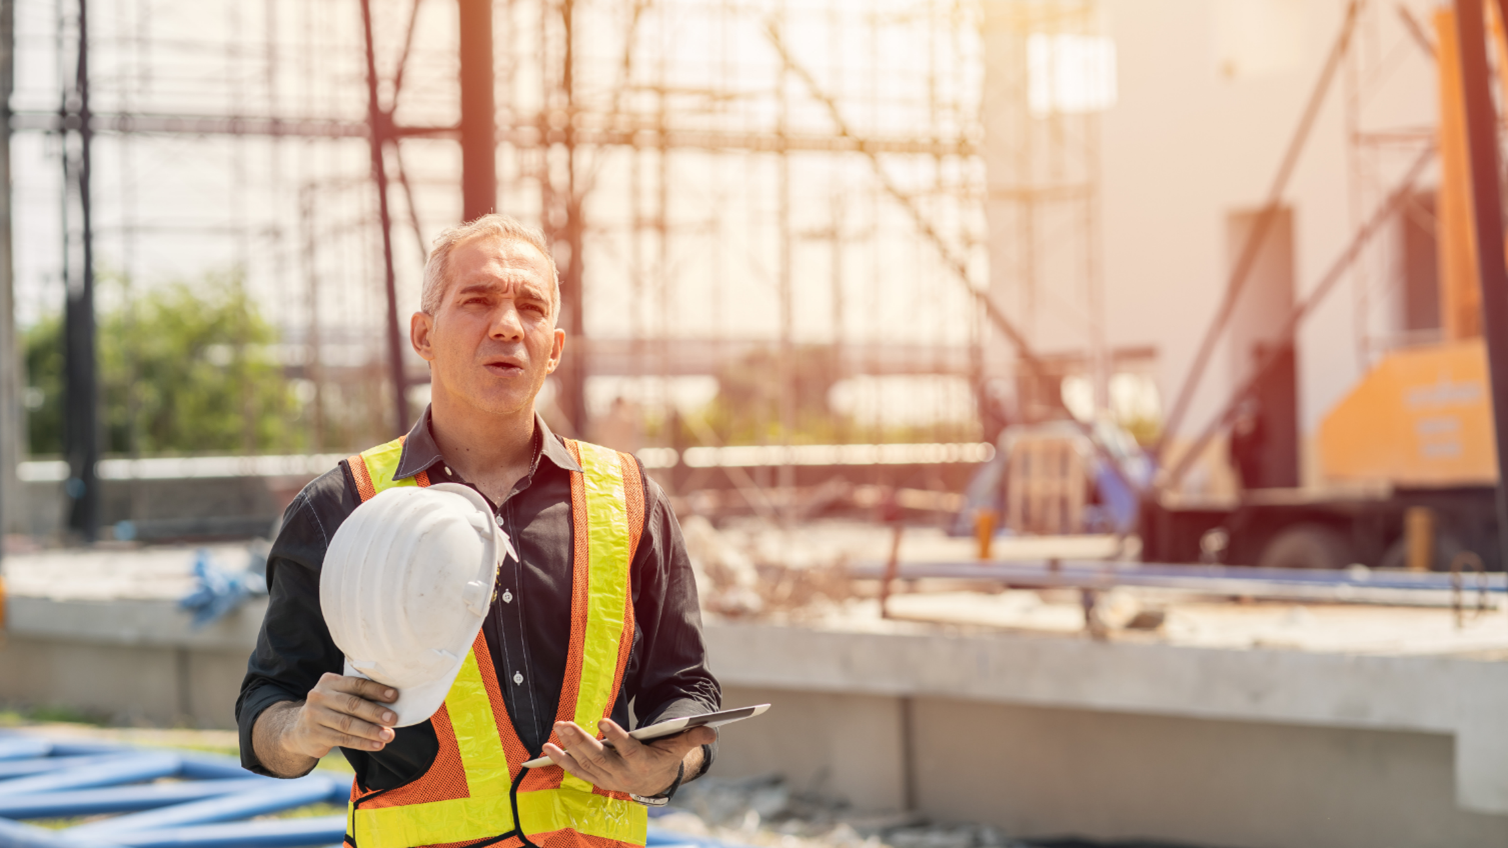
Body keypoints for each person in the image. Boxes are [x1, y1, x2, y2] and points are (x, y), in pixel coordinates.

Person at [236, 214, 721, 848]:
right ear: (423, 334)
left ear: (555, 347)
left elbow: (686, 690)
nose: (507, 325)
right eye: (478, 300)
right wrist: (302, 729)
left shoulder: (631, 500)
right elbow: (263, 712)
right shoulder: (341, 507)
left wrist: (668, 764)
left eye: (530, 307)